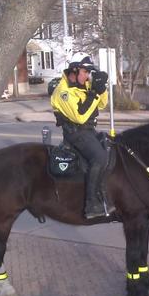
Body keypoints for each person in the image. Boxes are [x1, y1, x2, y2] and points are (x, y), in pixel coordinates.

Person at [50, 56, 114, 219]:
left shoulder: (82, 86)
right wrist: (93, 93)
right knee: (99, 157)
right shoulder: (63, 92)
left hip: (88, 131)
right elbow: (80, 117)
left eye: (89, 72)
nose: (87, 76)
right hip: (75, 133)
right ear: (75, 70)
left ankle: (102, 193)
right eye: (85, 71)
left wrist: (101, 88)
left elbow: (102, 104)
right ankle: (91, 204)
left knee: (110, 149)